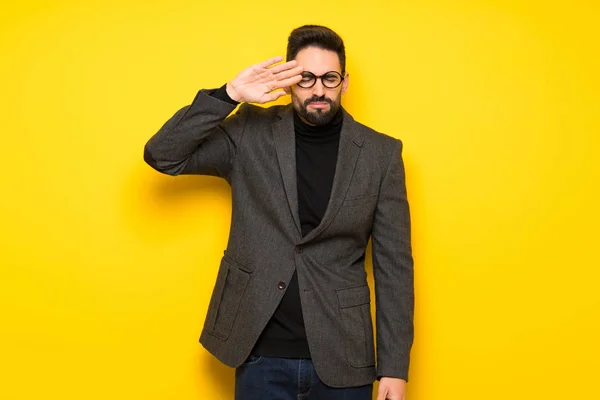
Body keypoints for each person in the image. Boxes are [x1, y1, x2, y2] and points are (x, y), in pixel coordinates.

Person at [144, 25, 414, 400]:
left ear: (345, 82)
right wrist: (230, 95)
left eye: (329, 78)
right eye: (306, 78)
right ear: (288, 81)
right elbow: (163, 154)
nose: (318, 89)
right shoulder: (247, 133)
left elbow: (394, 267)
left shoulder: (380, 155)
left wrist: (394, 368)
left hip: (344, 355)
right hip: (258, 352)